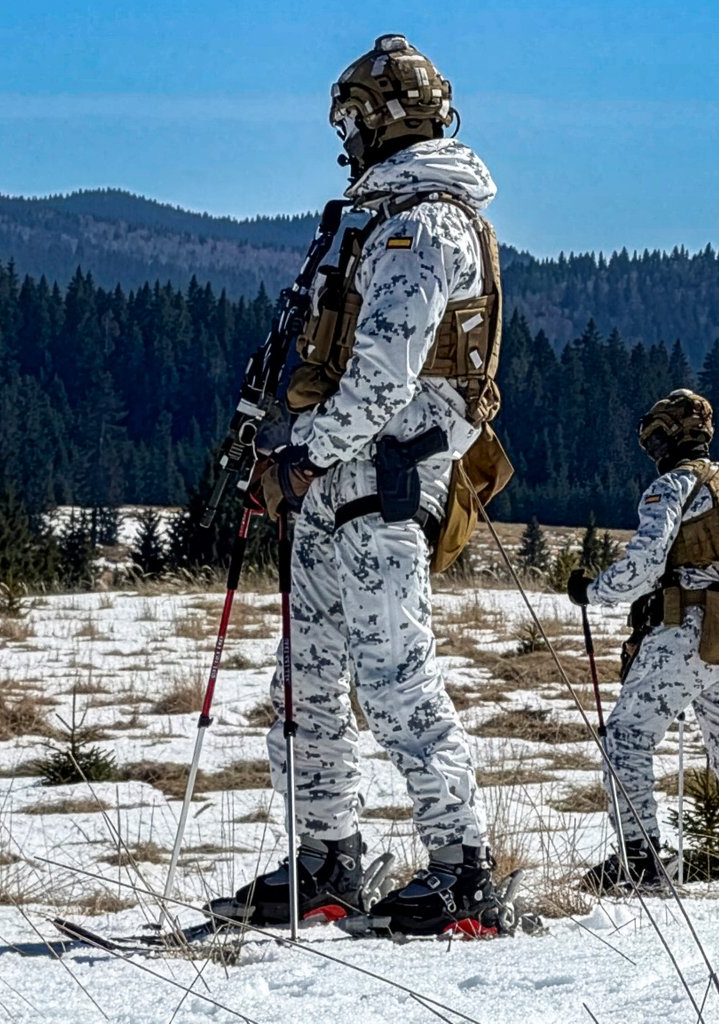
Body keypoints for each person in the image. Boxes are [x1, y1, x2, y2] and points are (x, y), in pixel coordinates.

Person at [209, 34, 509, 935]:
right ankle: (325, 859)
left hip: (380, 483)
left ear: (380, 120)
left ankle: (464, 871)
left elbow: (381, 378)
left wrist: (301, 452)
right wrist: (290, 455)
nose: (344, 138)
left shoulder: (427, 224)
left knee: (396, 678)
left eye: (350, 120)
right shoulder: (377, 219)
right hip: (333, 488)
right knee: (304, 685)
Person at [567, 388, 719, 893]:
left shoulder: (670, 488)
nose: (651, 449)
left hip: (682, 629)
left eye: (653, 437)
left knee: (626, 739)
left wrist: (592, 591)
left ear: (668, 436)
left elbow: (645, 566)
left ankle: (640, 860)